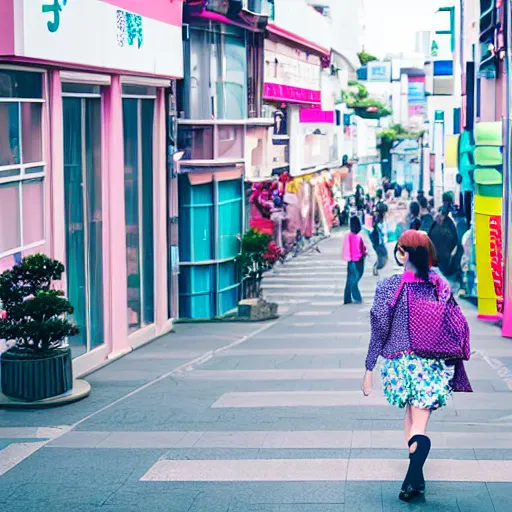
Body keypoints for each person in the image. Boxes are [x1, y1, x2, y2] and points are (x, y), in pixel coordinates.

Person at [362, 230, 472, 502]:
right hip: (431, 364)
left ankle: (415, 479)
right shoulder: (439, 286)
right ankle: (414, 478)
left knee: (411, 422)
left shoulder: (389, 287)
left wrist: (368, 368)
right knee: (418, 425)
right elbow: (457, 324)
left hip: (399, 364)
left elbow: (379, 328)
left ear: (403, 254)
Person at [342, 216, 367, 304]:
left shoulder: (358, 236)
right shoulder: (349, 236)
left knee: (353, 279)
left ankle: (349, 298)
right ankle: (355, 297)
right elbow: (347, 249)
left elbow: (361, 247)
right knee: (352, 279)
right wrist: (349, 260)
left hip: (358, 260)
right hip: (353, 261)